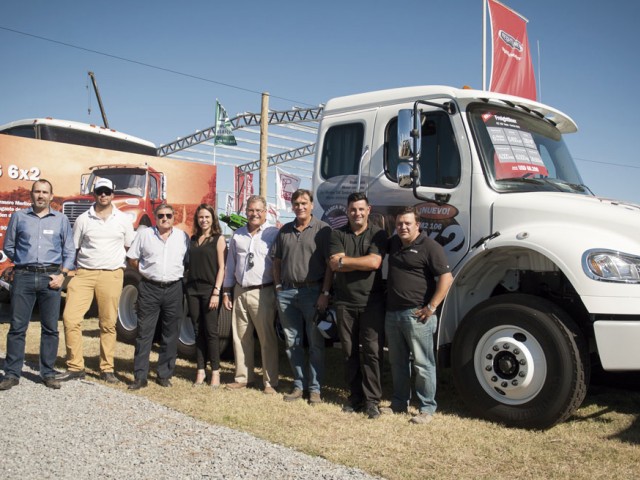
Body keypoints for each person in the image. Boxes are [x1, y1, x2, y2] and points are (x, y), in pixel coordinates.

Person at [56, 178, 134, 384]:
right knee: (71, 318)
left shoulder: (123, 219)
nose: (103, 195)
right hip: (84, 274)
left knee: (108, 323)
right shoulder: (83, 219)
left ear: (113, 194)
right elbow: (74, 248)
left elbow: (130, 246)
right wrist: (65, 272)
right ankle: (75, 367)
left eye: (107, 192)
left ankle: (107, 369)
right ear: (94, 194)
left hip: (112, 274)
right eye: (100, 191)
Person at [0, 179, 75, 390]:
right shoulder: (19, 217)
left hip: (51, 278)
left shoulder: (61, 220)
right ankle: (12, 373)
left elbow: (69, 251)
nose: (41, 195)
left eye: (45, 192)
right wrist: (25, 263)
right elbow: (9, 246)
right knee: (17, 327)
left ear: (51, 196)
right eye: (37, 191)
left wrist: (62, 275)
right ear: (31, 194)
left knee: (50, 328)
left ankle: (48, 372)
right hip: (23, 277)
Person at [383, 206, 453, 424]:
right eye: (399, 224)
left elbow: (446, 278)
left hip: (417, 316)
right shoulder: (394, 243)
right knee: (398, 362)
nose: (403, 227)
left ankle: (426, 408)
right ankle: (399, 403)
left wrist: (431, 308)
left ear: (417, 225)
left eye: (407, 223)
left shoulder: (430, 247)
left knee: (423, 364)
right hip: (392, 313)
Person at [328, 192, 388, 419]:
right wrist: (351, 263)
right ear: (347, 210)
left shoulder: (378, 234)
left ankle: (372, 400)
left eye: (361, 209)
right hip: (344, 303)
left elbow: (375, 262)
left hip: (372, 303)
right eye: (353, 209)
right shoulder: (337, 234)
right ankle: (354, 397)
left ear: (369, 210)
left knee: (372, 353)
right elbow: (334, 265)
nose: (357, 213)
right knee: (349, 353)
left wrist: (345, 261)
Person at [272, 189, 332, 404]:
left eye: (304, 203)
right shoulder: (285, 230)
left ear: (312, 205)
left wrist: (325, 293)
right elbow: (276, 260)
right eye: (296, 203)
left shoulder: (323, 230)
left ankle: (315, 389)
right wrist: (278, 287)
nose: (300, 207)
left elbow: (329, 266)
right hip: (287, 293)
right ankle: (299, 385)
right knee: (292, 342)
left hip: (313, 293)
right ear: (292, 206)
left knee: (315, 343)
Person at [126, 204, 189, 390]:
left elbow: (186, 262)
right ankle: (140, 377)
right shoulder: (144, 235)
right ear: (155, 216)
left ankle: (164, 375)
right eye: (160, 215)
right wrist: (145, 273)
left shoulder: (182, 237)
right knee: (144, 333)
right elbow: (132, 258)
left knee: (170, 334)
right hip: (149, 288)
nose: (165, 218)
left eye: (168, 215)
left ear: (174, 217)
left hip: (174, 289)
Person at [222, 195, 279, 394]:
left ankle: (270, 381)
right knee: (240, 337)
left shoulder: (273, 233)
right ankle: (243, 377)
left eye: (258, 211)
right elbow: (230, 266)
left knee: (266, 338)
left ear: (265, 212)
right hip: (239, 290)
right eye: (251, 210)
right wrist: (227, 290)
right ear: (246, 212)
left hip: (263, 292)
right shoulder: (237, 235)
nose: (254, 214)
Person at [186, 204, 226, 388]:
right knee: (197, 330)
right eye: (201, 217)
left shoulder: (218, 239)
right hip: (193, 290)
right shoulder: (193, 239)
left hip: (210, 291)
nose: (204, 220)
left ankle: (216, 372)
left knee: (211, 332)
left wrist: (216, 292)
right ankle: (200, 371)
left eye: (207, 217)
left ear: (213, 219)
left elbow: (222, 268)